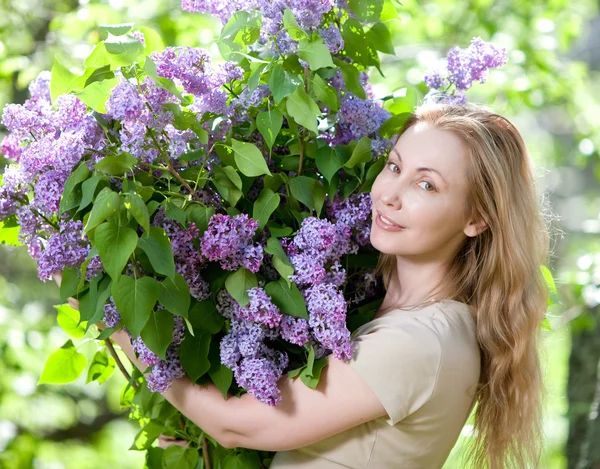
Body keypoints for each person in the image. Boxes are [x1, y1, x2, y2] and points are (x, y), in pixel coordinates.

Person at [55, 102, 551, 469]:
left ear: (477, 217)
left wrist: (121, 325)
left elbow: (238, 426)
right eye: (394, 167)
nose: (390, 195)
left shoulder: (423, 342)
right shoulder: (374, 306)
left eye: (427, 184)